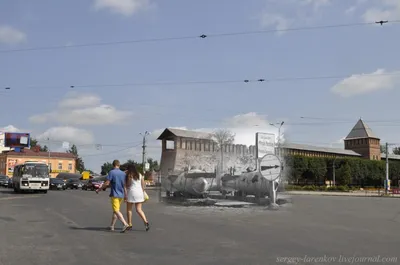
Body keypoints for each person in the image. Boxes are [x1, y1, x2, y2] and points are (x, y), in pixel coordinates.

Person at [96, 159, 130, 233]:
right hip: (121, 194)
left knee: (116, 210)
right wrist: (126, 195)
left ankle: (125, 224)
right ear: (119, 165)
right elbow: (124, 185)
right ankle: (112, 226)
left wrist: (99, 189)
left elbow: (107, 183)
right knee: (115, 211)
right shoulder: (123, 174)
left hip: (115, 194)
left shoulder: (111, 172)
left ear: (113, 165)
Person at [124, 164, 150, 231]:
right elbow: (143, 184)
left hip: (132, 192)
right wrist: (142, 191)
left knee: (129, 209)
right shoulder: (139, 174)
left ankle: (130, 224)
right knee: (139, 209)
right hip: (139, 193)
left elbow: (128, 185)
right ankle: (146, 222)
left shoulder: (130, 175)